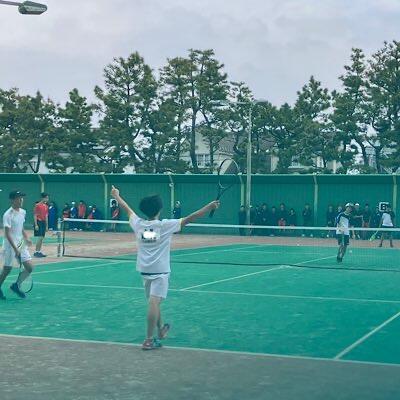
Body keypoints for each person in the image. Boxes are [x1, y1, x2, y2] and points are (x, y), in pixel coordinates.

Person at [110, 185, 219, 350]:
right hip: (160, 272)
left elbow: (127, 209)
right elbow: (191, 218)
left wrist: (117, 196)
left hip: (145, 271)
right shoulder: (164, 226)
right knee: (154, 303)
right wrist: (209, 207)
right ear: (159, 209)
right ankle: (148, 339)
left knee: (154, 301)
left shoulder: (138, 224)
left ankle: (160, 330)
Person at [0, 191, 35, 300]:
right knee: (7, 269)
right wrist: (15, 249)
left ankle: (16, 285)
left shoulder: (23, 212)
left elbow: (21, 227)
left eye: (21, 198)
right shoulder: (7, 214)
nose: (21, 200)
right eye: (18, 198)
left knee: (29, 267)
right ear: (12, 200)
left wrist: (26, 237)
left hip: (20, 243)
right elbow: (7, 234)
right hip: (9, 245)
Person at [33, 192, 49, 258]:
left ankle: (39, 251)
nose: (47, 199)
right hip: (39, 222)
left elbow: (46, 216)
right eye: (46, 198)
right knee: (40, 238)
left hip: (43, 223)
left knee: (42, 238)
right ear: (43, 198)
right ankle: (36, 252)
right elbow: (35, 215)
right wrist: (36, 224)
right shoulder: (37, 205)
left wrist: (47, 226)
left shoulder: (46, 206)